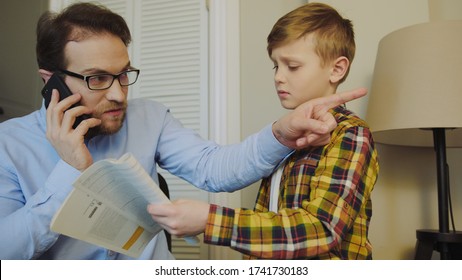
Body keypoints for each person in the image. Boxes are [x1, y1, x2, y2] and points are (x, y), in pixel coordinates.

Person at [0, 2, 366, 260]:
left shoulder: (151, 117)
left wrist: (281, 133)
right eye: (97, 78)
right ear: (52, 83)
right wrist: (70, 170)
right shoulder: (8, 145)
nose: (117, 93)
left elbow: (215, 168)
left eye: (124, 74)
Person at [148, 2, 379, 260]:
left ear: (337, 69)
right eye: (275, 65)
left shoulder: (350, 134)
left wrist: (210, 220)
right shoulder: (287, 136)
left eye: (292, 66)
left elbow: (322, 229)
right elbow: (271, 218)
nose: (278, 76)